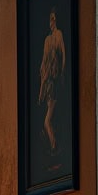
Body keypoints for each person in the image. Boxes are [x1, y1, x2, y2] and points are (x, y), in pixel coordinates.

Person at [38, 8, 66, 153]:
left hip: (54, 82)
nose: (51, 22)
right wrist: (41, 90)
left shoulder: (58, 35)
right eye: (50, 19)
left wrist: (61, 74)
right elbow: (43, 63)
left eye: (53, 19)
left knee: (48, 120)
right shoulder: (47, 40)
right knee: (49, 120)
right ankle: (53, 145)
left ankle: (54, 145)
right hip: (50, 83)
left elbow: (64, 55)